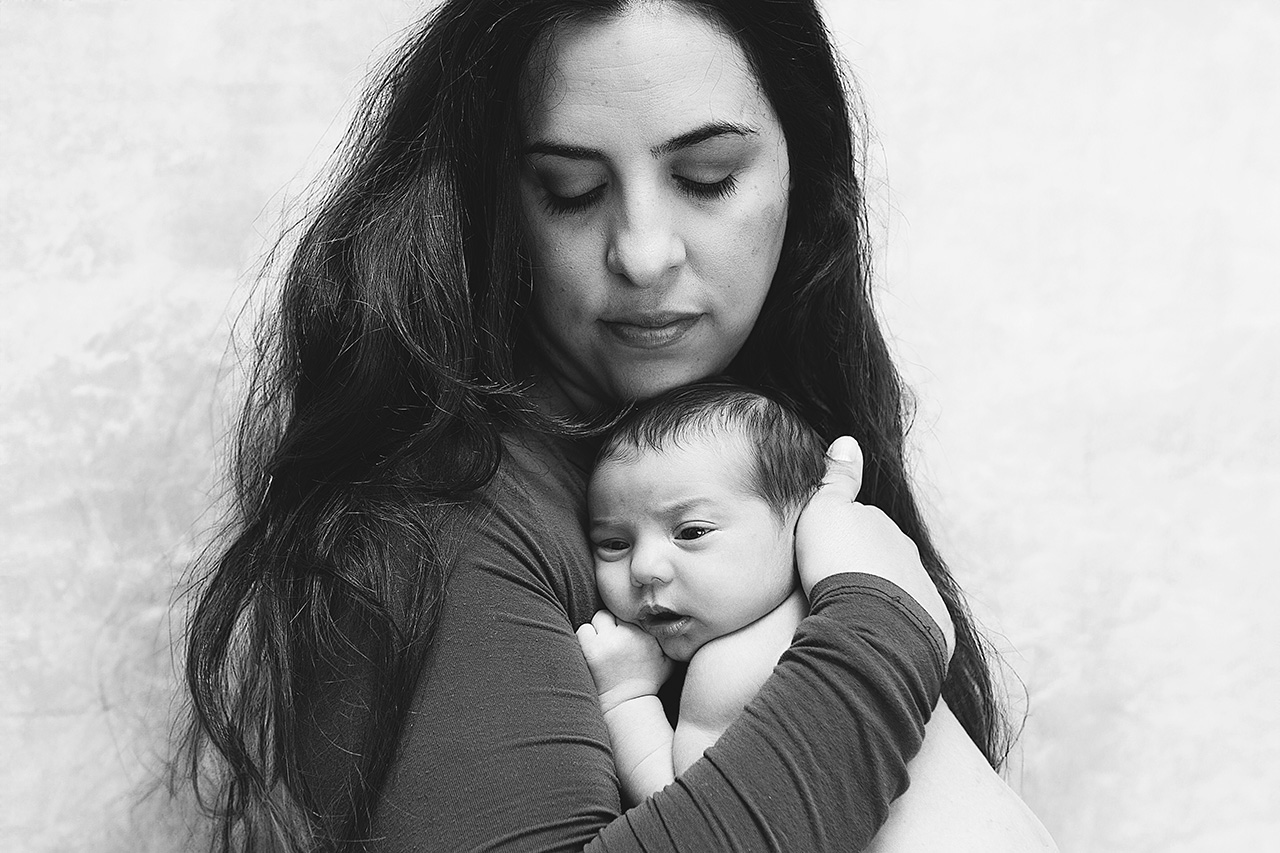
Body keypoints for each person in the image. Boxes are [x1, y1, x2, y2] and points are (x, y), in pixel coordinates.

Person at [179, 1, 1033, 850]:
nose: (643, 252)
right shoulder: (455, 515)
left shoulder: (753, 432)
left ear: (801, 173)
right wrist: (879, 636)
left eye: (707, 178)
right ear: (496, 206)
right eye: (572, 191)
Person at [578, 381, 1057, 851]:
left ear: (801, 518)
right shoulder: (838, 609)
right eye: (614, 544)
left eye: (691, 531)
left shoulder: (731, 666)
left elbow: (689, 809)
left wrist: (626, 696)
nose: (643, 568)